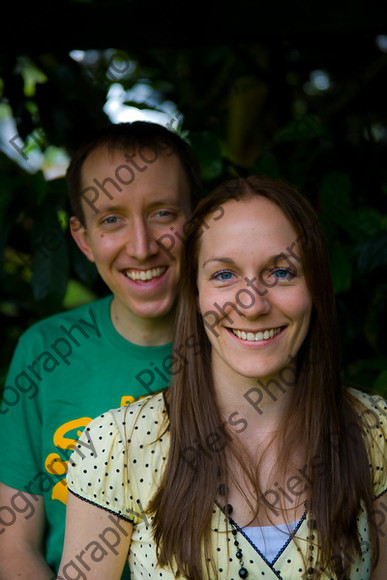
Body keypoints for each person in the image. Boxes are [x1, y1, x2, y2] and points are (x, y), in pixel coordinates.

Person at [59, 175, 386, 579]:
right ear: (194, 294)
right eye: (224, 275)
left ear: (316, 287)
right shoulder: (116, 446)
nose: (252, 304)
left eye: (281, 272)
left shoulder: (376, 431)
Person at [0, 121, 201, 579]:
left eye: (164, 213)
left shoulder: (243, 345)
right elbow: (13, 545)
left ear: (198, 221)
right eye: (112, 219)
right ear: (83, 238)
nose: (142, 246)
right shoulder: (45, 352)